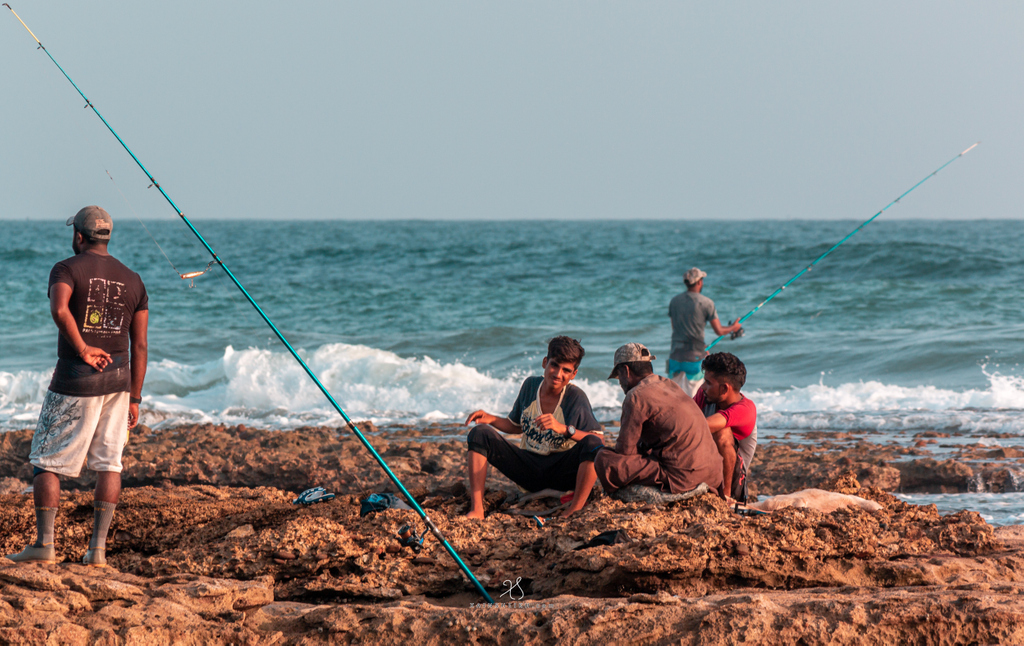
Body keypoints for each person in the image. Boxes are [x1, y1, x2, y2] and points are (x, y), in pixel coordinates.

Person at [7, 206, 148, 567]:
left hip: (75, 380)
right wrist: (135, 398)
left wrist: (84, 349)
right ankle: (97, 551)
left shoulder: (66, 268)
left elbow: (60, 309)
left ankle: (45, 545)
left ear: (80, 236)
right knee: (109, 465)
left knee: (46, 461)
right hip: (118, 384)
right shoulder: (133, 280)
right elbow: (141, 345)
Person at [464, 336, 604, 519]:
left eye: (566, 370)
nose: (558, 374)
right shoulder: (530, 386)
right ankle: (477, 510)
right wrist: (491, 419)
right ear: (545, 363)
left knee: (592, 443)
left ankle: (574, 509)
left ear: (573, 374)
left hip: (561, 472)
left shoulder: (575, 397)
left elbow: (598, 441)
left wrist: (563, 429)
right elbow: (516, 426)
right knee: (479, 434)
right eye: (554, 365)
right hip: (528, 470)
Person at [595, 343, 723, 496]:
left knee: (604, 459)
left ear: (626, 371)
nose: (620, 382)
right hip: (713, 475)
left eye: (619, 376)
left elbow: (625, 452)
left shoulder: (636, 395)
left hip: (684, 478)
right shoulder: (669, 384)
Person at [667, 267, 742, 397]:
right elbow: (719, 331)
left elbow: (675, 328)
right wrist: (734, 328)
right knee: (695, 397)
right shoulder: (706, 303)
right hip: (695, 356)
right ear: (699, 282)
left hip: (675, 355)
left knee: (673, 395)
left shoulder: (674, 301)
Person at [694, 352, 757, 502]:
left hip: (734, 485)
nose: (703, 387)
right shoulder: (705, 396)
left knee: (722, 431)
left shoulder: (745, 409)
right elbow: (686, 415)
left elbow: (705, 425)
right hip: (705, 470)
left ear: (724, 389)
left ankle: (725, 498)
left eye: (708, 383)